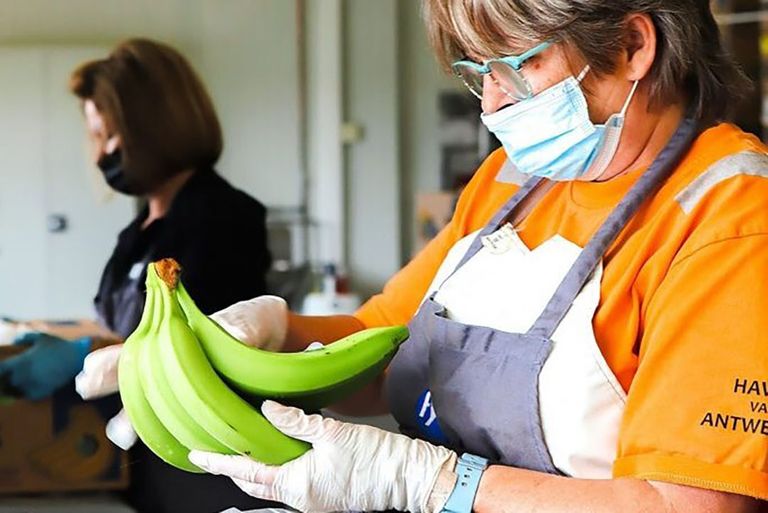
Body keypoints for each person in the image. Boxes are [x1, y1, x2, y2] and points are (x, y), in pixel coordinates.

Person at [82, 2, 768, 512]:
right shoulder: (512, 183)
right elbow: (389, 346)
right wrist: (266, 340)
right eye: (478, 74)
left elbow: (693, 503)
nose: (492, 104)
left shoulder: (730, 212)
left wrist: (436, 481)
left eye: (515, 65)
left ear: (630, 45)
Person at [0, 38, 276, 513]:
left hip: (200, 468)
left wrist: (87, 354)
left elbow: (203, 353)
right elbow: (122, 325)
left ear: (157, 129)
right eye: (96, 137)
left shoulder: (221, 218)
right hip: (132, 454)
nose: (100, 154)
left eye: (110, 136)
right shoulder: (139, 231)